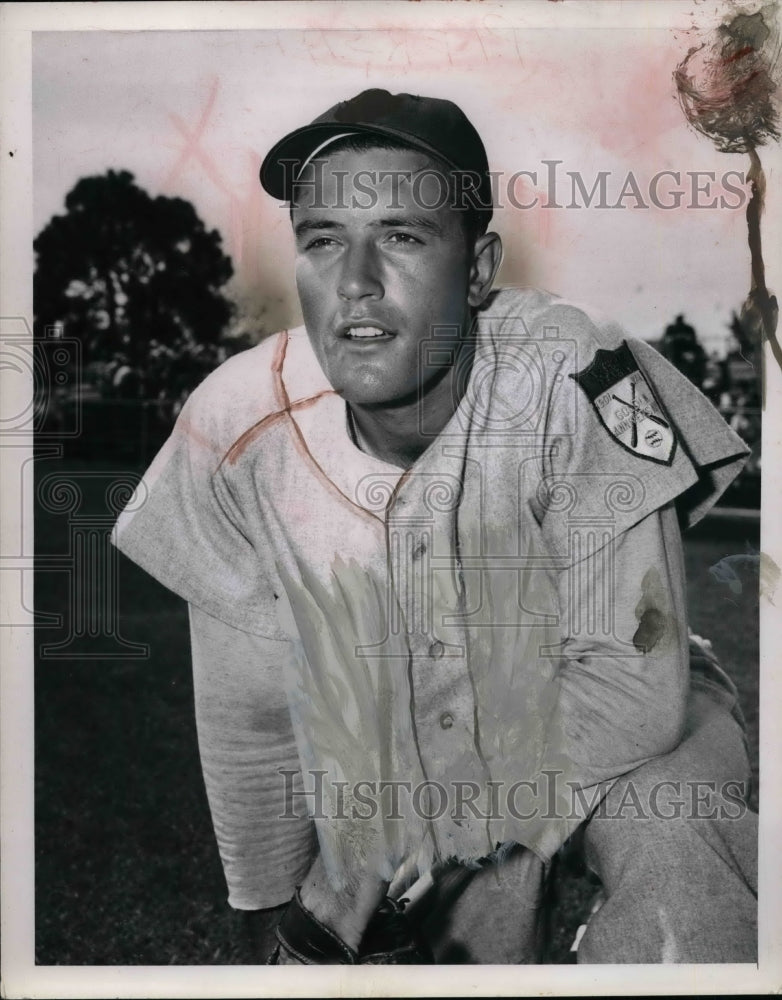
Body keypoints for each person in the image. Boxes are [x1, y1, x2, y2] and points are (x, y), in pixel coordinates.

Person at [112, 89, 758, 964]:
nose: (356, 282)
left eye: (404, 236)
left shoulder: (575, 371)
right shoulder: (237, 424)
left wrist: (450, 815)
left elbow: (632, 679)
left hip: (615, 699)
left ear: (480, 267)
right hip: (402, 726)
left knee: (682, 860)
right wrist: (289, 933)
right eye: (323, 238)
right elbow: (252, 718)